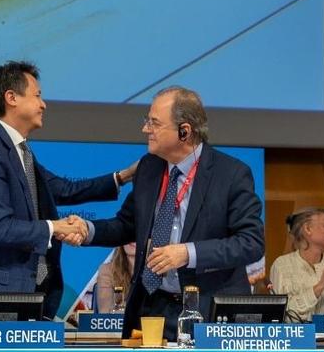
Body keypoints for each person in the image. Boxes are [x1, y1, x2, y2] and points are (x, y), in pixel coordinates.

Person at [0, 61, 134, 320]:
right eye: (37, 96)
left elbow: (65, 189)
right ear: (11, 98)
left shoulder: (21, 152)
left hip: (21, 293)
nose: (43, 105)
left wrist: (124, 176)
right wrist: (55, 227)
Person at [82, 86, 265, 338]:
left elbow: (251, 243)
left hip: (209, 313)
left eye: (154, 123)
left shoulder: (231, 174)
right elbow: (126, 225)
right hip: (154, 310)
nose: (146, 129)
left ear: (184, 131)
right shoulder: (149, 168)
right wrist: (87, 230)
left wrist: (187, 253)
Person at [270, 207, 324, 322]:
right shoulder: (282, 265)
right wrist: (319, 287)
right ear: (308, 229)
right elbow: (281, 315)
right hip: (295, 339)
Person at [94, 244, 136, 313]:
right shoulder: (107, 271)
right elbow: (105, 312)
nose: (132, 240)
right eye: (129, 235)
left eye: (138, 236)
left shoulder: (157, 271)